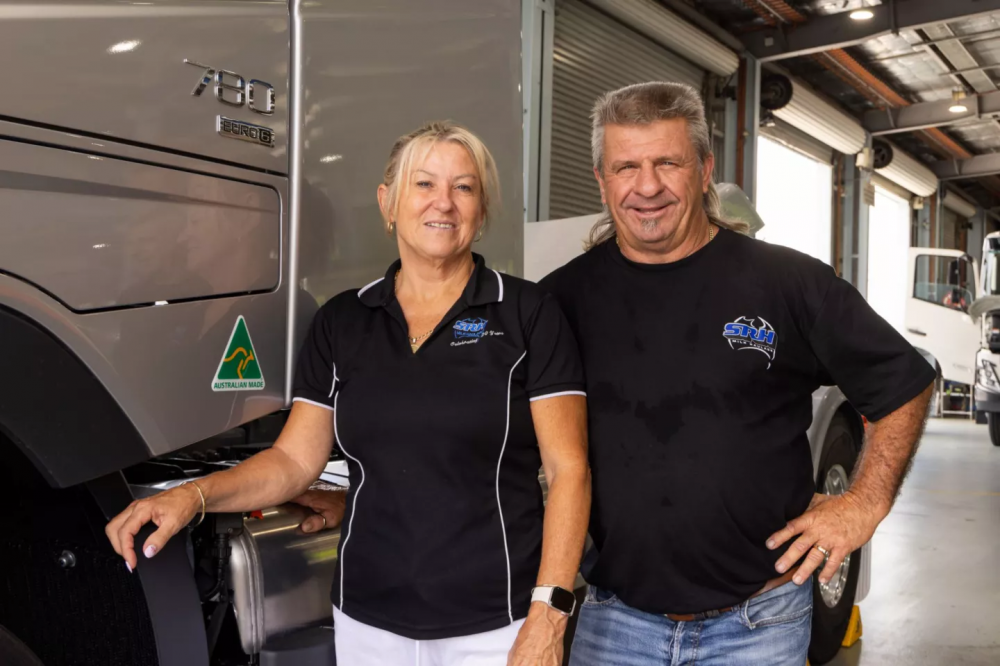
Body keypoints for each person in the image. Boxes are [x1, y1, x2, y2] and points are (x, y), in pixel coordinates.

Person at [105, 121, 591, 666]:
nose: (444, 202)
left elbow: (569, 471)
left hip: (496, 625)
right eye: (424, 184)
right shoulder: (344, 320)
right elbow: (294, 460)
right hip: (367, 620)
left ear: (481, 211)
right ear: (388, 203)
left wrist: (549, 615)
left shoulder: (527, 313)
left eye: (464, 187)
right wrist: (191, 497)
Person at [539, 82, 935, 665]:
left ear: (704, 170)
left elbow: (905, 383)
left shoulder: (787, 283)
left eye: (667, 163)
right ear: (602, 180)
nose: (647, 187)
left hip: (759, 627)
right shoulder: (561, 301)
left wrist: (863, 503)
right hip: (614, 624)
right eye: (626, 167)